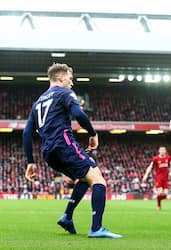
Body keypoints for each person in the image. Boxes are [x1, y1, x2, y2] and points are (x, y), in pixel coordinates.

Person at [23, 63, 122, 238]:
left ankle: (67, 216)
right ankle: (96, 228)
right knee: (98, 180)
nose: (72, 82)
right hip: (64, 143)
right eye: (70, 78)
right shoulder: (65, 93)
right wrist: (93, 133)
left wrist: (30, 162)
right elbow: (78, 114)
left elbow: (27, 133)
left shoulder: (37, 103)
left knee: (84, 178)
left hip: (48, 152)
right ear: (60, 78)